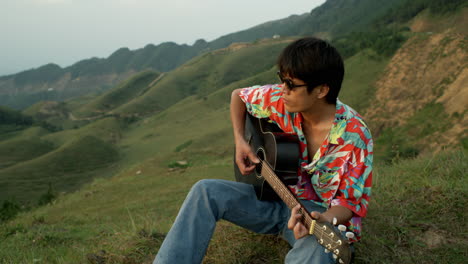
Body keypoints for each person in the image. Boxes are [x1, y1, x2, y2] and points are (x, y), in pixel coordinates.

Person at [153, 37, 373, 264]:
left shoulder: (354, 135)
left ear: (321, 90)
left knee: (317, 250)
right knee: (205, 191)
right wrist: (240, 141)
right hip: (270, 198)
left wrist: (319, 220)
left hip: (315, 217)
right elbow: (238, 96)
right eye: (282, 80)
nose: (283, 89)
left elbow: (350, 203)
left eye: (291, 85)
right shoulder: (281, 101)